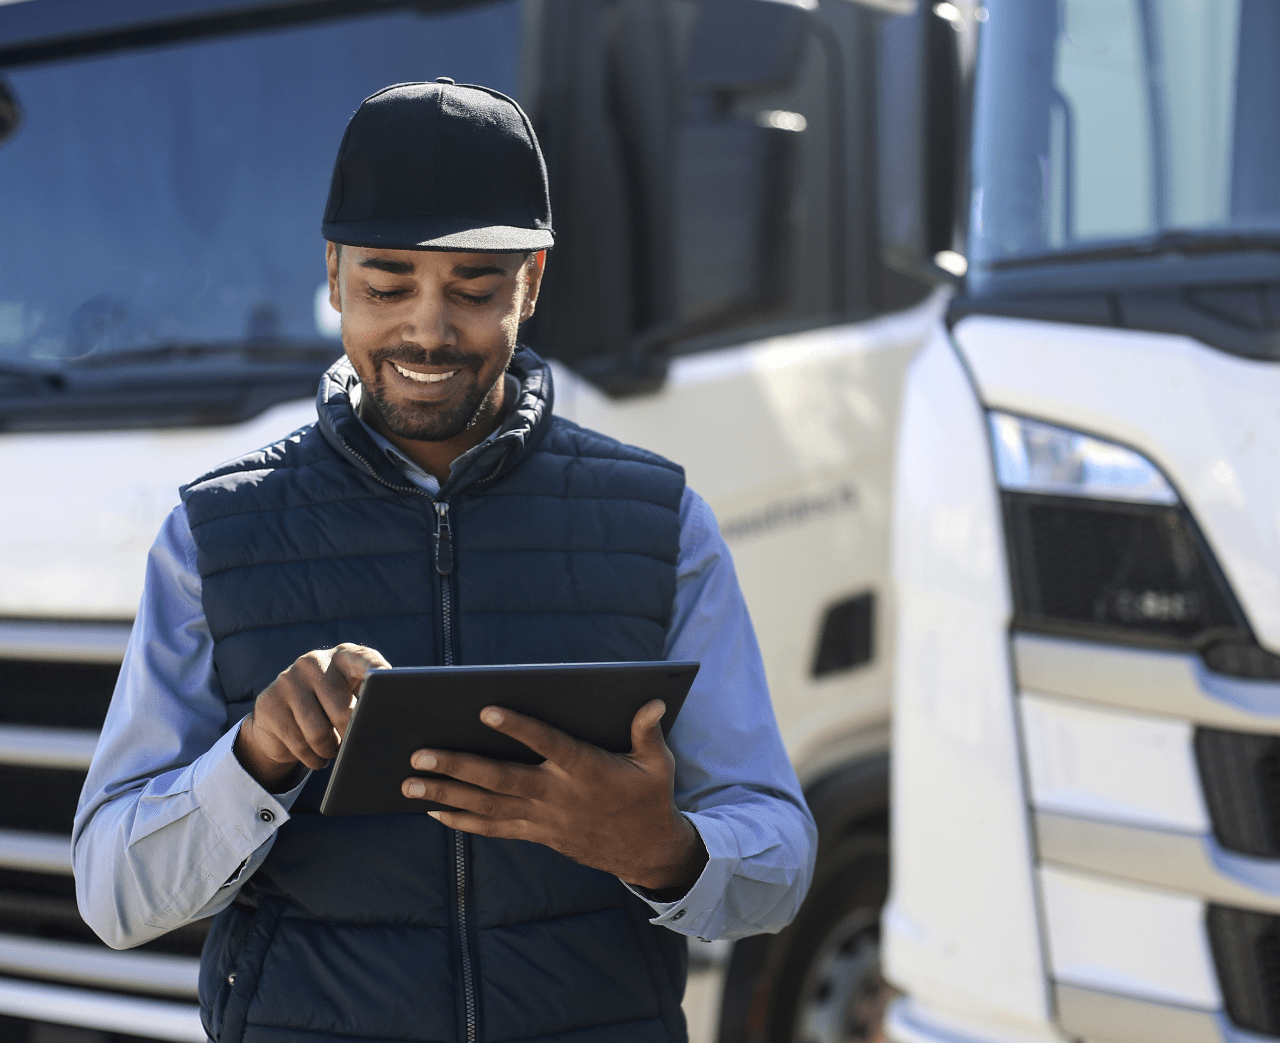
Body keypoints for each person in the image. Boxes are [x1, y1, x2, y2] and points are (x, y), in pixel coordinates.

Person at [74, 79, 817, 1043]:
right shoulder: (211, 535)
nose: (428, 329)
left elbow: (781, 858)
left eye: (475, 288)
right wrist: (253, 760)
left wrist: (664, 849)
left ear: (534, 282)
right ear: (335, 274)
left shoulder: (660, 521)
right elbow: (113, 894)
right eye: (387, 286)